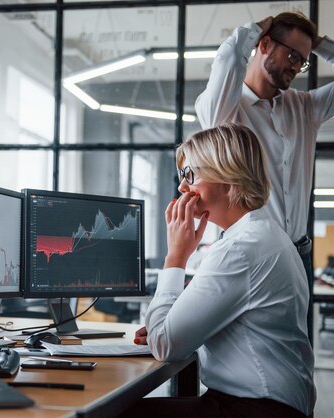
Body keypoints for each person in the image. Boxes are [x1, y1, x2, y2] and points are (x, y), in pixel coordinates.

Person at [194, 12, 334, 338]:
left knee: (295, 349)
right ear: (264, 44)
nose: (297, 66)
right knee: (242, 346)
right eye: (292, 55)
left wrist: (318, 44)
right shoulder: (224, 109)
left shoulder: (306, 107)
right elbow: (228, 57)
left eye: (303, 61)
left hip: (297, 252)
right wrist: (257, 28)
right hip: (248, 251)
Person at [126, 124, 315, 418]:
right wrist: (171, 321)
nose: (181, 187)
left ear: (228, 173)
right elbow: (175, 329)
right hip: (271, 404)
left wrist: (176, 254)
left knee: (115, 412)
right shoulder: (260, 235)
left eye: (191, 175)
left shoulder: (240, 249)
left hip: (255, 409)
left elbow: (165, 344)